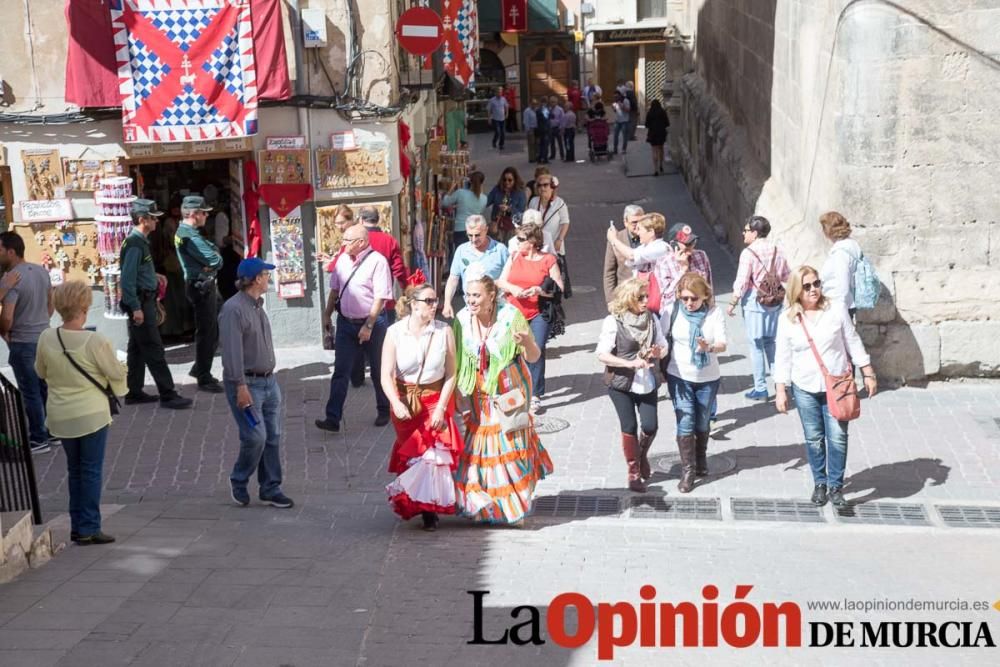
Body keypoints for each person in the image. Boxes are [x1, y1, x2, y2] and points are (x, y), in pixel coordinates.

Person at [452, 274, 553, 524]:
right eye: (468, 295)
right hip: (479, 394)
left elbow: (532, 356)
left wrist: (528, 341)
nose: (471, 300)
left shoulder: (510, 317)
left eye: (477, 295)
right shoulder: (462, 320)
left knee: (510, 446)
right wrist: (456, 394)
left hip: (509, 390)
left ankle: (513, 508)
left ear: (491, 297)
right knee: (480, 449)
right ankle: (483, 506)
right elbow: (455, 362)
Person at [774, 266, 878, 507]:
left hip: (837, 385)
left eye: (817, 283)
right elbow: (782, 356)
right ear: (797, 291)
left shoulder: (835, 309)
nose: (814, 290)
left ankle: (836, 487)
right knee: (814, 439)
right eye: (807, 286)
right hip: (805, 386)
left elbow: (852, 340)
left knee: (838, 437)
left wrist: (867, 371)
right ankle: (820, 483)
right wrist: (781, 389)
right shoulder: (788, 318)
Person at [35, 281, 126, 544]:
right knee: (90, 470)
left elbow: (40, 371)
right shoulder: (95, 341)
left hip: (61, 413)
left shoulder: (46, 337)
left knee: (75, 469)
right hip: (91, 414)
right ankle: (88, 526)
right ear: (84, 307)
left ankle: (79, 524)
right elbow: (116, 375)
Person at [381, 272, 461, 531]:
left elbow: (451, 373)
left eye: (435, 300)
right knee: (414, 456)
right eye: (428, 301)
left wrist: (440, 408)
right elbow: (385, 374)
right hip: (406, 401)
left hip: (435, 399)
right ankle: (415, 501)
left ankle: (429, 509)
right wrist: (396, 402)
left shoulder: (444, 331)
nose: (433, 305)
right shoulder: (394, 333)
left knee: (432, 456)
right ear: (413, 305)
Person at [219, 258, 294, 509]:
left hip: (268, 382)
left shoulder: (257, 306)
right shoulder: (233, 309)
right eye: (266, 274)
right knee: (256, 436)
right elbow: (231, 354)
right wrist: (240, 386)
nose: (269, 278)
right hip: (247, 384)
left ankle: (271, 487)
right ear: (255, 279)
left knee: (273, 435)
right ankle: (239, 479)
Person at [317, 227, 392, 431]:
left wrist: (368, 324)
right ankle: (333, 418)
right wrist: (326, 313)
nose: (343, 243)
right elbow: (335, 289)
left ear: (361, 242)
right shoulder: (342, 259)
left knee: (378, 370)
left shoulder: (378, 261)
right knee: (341, 371)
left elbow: (380, 298)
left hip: (373, 324)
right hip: (346, 323)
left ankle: (384, 410)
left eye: (347, 240)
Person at [120, 200, 193, 410]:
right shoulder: (135, 243)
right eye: (153, 217)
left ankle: (133, 391)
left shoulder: (138, 241)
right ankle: (168, 393)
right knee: (154, 348)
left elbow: (137, 272)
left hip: (144, 300)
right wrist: (136, 308)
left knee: (136, 349)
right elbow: (127, 279)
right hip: (142, 303)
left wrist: (153, 275)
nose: (157, 220)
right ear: (142, 220)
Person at [597, 278, 668, 492]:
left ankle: (641, 455)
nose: (646, 301)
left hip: (647, 382)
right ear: (629, 299)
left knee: (650, 426)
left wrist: (658, 353)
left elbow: (664, 346)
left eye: (647, 297)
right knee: (629, 427)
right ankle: (633, 472)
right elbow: (602, 354)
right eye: (640, 298)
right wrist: (629, 363)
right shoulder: (613, 321)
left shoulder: (652, 319)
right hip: (621, 383)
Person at [663, 273, 727, 493]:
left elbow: (722, 343)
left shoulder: (714, 313)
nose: (689, 303)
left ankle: (701, 460)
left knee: (702, 422)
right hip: (679, 376)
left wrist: (708, 347)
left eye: (694, 299)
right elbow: (662, 340)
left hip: (708, 378)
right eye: (685, 298)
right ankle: (688, 471)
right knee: (686, 420)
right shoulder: (671, 311)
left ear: (704, 296)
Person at [496, 222, 563, 415]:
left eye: (520, 239)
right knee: (513, 350)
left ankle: (536, 394)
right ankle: (515, 387)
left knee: (536, 348)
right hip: (514, 312)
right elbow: (501, 280)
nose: (516, 242)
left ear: (532, 242)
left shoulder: (548, 260)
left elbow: (559, 288)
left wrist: (540, 290)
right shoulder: (515, 256)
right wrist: (513, 288)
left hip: (538, 312)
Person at [0, 231, 54, 451]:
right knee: (44, 388)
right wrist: (40, 322)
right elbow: (51, 305)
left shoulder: (11, 278)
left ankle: (38, 438)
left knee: (31, 391)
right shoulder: (41, 272)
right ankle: (52, 433)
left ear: (11, 252)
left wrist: (6, 331)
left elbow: (7, 317)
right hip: (43, 337)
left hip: (23, 341)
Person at [727, 215, 791, 400]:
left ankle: (760, 387)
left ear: (754, 233)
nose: (743, 233)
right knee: (771, 343)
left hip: (755, 302)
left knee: (756, 345)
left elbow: (743, 280)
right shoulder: (778, 250)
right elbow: (786, 275)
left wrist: (733, 302)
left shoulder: (749, 253)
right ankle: (782, 384)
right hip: (774, 302)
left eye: (746, 230)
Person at [175, 194, 224, 393]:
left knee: (212, 329)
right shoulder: (189, 236)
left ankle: (199, 368)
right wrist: (212, 262)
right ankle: (204, 376)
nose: (206, 217)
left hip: (200, 283)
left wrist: (211, 259)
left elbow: (212, 253)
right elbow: (215, 260)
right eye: (204, 213)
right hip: (201, 286)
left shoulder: (186, 232)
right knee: (207, 332)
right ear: (194, 214)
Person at [443, 216, 510, 318]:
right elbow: (453, 279)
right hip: (471, 309)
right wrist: (447, 302)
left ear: (486, 230)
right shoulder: (461, 250)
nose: (473, 239)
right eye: (470, 235)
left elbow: (510, 279)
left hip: (496, 310)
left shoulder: (500, 250)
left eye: (477, 235)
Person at [653, 223, 714, 315]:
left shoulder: (701, 256)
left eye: (692, 242)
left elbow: (709, 286)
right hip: (676, 312)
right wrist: (683, 270)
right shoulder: (663, 264)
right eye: (687, 244)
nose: (690, 246)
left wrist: (712, 308)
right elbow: (667, 296)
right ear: (674, 244)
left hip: (701, 310)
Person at [818, 211, 864, 318]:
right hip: (844, 305)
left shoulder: (840, 253)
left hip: (837, 307)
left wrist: (837, 311)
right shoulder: (850, 246)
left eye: (823, 228)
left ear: (828, 230)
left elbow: (842, 285)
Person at [603, 205, 644, 304]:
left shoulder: (650, 237)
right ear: (625, 222)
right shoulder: (617, 238)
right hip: (625, 296)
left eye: (641, 221)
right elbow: (609, 272)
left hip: (645, 295)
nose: (638, 225)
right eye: (634, 222)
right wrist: (611, 300)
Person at [441, 172, 488, 257]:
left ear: (470, 182)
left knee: (461, 256)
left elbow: (445, 202)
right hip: (475, 230)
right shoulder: (484, 199)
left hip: (460, 229)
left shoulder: (460, 193)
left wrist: (451, 187)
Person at [526, 174, 570, 257]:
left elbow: (565, 223)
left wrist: (560, 240)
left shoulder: (560, 203)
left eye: (545, 185)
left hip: (554, 247)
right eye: (539, 185)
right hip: (537, 247)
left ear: (552, 187)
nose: (542, 188)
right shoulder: (533, 201)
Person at [485, 167, 527, 243]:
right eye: (504, 179)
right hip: (497, 226)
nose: (506, 182)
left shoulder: (520, 192)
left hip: (511, 228)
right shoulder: (497, 189)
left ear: (515, 180)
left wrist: (509, 209)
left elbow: (521, 213)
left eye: (510, 180)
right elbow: (486, 202)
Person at [645, 99, 669, 175]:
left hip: (652, 133)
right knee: (661, 149)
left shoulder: (650, 113)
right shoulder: (663, 112)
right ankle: (661, 165)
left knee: (654, 150)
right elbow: (667, 123)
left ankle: (655, 170)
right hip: (661, 133)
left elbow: (646, 125)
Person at [535, 98, 551, 165]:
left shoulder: (539, 110)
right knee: (544, 145)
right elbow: (547, 118)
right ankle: (544, 158)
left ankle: (540, 158)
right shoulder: (542, 110)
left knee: (541, 145)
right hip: (544, 130)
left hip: (541, 129)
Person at [548, 96, 565, 162]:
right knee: (552, 142)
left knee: (560, 142)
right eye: (551, 102)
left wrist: (561, 128)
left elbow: (562, 119)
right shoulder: (549, 109)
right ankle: (552, 155)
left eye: (553, 102)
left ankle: (562, 155)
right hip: (551, 128)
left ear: (556, 102)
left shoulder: (560, 109)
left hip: (557, 127)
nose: (552, 103)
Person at [523, 98, 539, 163]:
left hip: (537, 128)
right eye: (533, 104)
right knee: (531, 144)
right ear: (530, 104)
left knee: (537, 143)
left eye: (535, 104)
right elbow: (526, 121)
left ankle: (537, 156)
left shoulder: (537, 110)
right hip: (531, 129)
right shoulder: (527, 111)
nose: (534, 105)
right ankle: (532, 158)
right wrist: (528, 130)